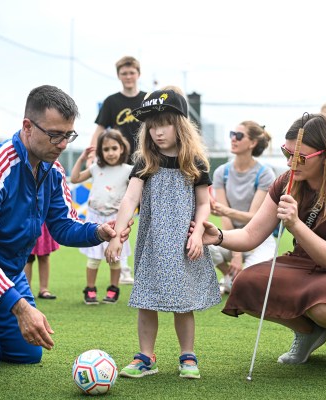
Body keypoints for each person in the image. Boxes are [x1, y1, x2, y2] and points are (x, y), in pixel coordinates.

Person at [196, 113, 326, 372]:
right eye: (286, 153)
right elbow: (250, 235)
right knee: (247, 284)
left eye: (299, 157)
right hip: (305, 262)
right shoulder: (286, 182)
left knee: (323, 308)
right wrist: (218, 237)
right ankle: (309, 333)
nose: (290, 162)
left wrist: (296, 225)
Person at [0, 85, 131, 364]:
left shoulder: (54, 171)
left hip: (10, 274)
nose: (62, 145)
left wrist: (98, 232)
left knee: (27, 355)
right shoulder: (2, 166)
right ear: (27, 126)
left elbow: (63, 225)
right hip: (4, 280)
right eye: (54, 135)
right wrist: (20, 307)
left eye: (68, 135)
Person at [105, 87, 221, 379]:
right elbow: (130, 200)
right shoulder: (145, 161)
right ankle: (145, 357)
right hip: (153, 243)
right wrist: (118, 236)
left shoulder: (194, 161)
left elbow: (205, 203)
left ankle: (188, 356)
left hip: (185, 243)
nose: (157, 132)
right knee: (146, 300)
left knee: (183, 303)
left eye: (164, 124)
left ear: (179, 124)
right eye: (152, 126)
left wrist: (196, 235)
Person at [87, 55, 145, 285]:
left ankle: (139, 264)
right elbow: (100, 129)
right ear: (119, 75)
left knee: (144, 215)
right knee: (122, 213)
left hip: (143, 164)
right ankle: (123, 267)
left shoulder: (147, 99)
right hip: (118, 167)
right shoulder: (111, 102)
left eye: (132, 72)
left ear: (138, 74)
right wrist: (92, 152)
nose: (128, 77)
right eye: (124, 73)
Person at [209, 122, 276, 294]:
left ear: (252, 143)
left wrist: (225, 211)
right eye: (232, 134)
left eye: (239, 136)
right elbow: (225, 219)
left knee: (252, 285)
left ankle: (240, 279)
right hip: (231, 237)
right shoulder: (221, 172)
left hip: (258, 236)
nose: (233, 139)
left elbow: (254, 217)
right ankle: (229, 275)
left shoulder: (265, 173)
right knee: (198, 244)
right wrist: (236, 253)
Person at [70, 129, 133, 305]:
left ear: (122, 149)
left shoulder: (129, 170)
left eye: (114, 148)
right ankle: (90, 289)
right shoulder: (96, 168)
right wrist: (82, 159)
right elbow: (75, 179)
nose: (110, 153)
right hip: (95, 218)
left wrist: (128, 217)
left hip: (116, 220)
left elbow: (137, 195)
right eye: (106, 149)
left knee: (115, 258)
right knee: (93, 258)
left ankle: (113, 289)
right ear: (100, 152)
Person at [24, 223, 59, 300]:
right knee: (28, 259)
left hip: (44, 224)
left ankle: (44, 289)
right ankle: (27, 290)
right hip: (28, 224)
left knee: (45, 256)